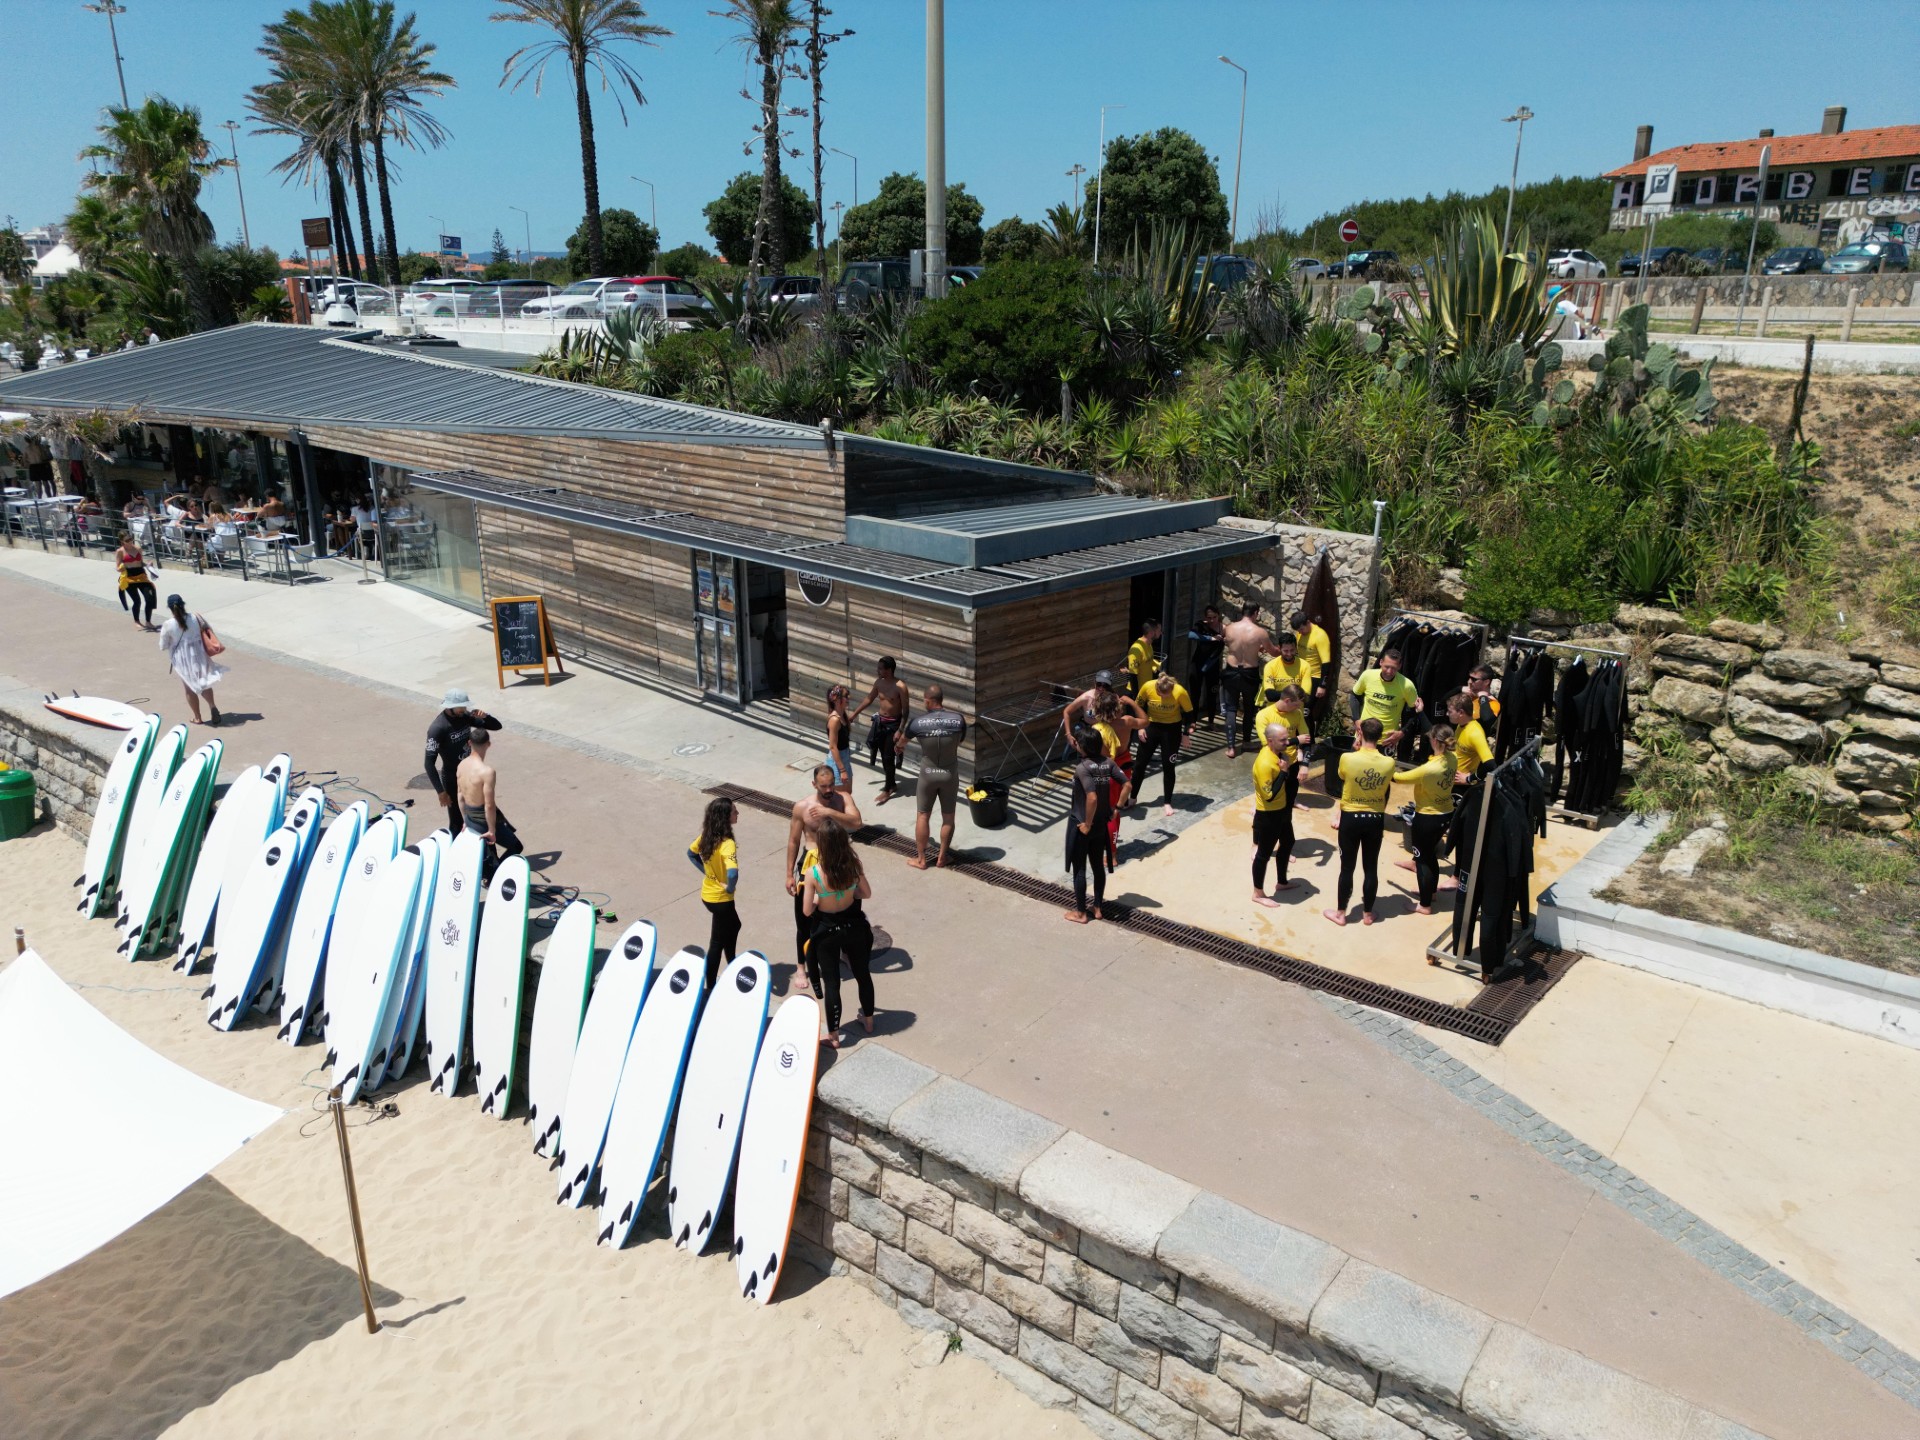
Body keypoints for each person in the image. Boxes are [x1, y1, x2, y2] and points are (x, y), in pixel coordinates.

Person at [785, 765, 865, 994]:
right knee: (804, 918)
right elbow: (793, 841)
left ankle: (845, 952)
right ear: (814, 785)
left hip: (840, 862)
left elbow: (856, 823)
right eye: (824, 786)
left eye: (831, 784)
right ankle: (801, 967)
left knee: (849, 910)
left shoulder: (843, 798)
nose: (829, 790)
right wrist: (789, 874)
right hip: (811, 863)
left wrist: (829, 813)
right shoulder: (802, 807)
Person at [803, 823, 875, 1048]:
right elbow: (866, 893)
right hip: (852, 928)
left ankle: (834, 1036)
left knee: (832, 983)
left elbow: (807, 911)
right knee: (863, 974)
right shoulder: (853, 865)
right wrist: (847, 891)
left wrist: (818, 899)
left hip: (827, 932)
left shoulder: (813, 873)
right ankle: (869, 1021)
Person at [1325, 718, 1396, 927]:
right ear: (1381, 737)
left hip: (1351, 817)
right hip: (1374, 818)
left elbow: (1341, 775)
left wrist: (1355, 751)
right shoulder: (1389, 763)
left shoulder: (1348, 758)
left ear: (1360, 734)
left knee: (1347, 868)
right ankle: (1367, 914)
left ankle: (1341, 914)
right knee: (1371, 867)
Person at [897, 685, 967, 869]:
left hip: (928, 773)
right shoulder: (958, 720)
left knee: (922, 815)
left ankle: (921, 860)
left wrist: (899, 746)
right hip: (949, 773)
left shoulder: (917, 723)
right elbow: (960, 740)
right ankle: (942, 857)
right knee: (948, 817)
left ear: (928, 700)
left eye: (924, 700)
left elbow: (901, 742)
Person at [1064, 730, 1130, 924]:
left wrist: (1087, 824)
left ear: (1081, 746)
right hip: (1102, 823)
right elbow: (1127, 785)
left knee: (1080, 869)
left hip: (1083, 824)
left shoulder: (1082, 768)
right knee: (1097, 866)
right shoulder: (1109, 763)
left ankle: (1081, 913)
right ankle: (1098, 908)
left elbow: (1091, 797)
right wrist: (1117, 808)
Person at [1392, 722, 1457, 915]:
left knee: (1422, 861)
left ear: (1435, 741)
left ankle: (1425, 904)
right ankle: (1431, 893)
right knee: (1430, 856)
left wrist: (1383, 766)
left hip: (1428, 818)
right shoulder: (1452, 758)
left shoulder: (1429, 769)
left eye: (1429, 739)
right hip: (1445, 813)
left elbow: (1399, 778)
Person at [425, 688, 502, 835]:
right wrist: (441, 791)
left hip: (470, 774)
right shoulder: (437, 728)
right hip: (452, 778)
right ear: (450, 707)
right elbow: (428, 763)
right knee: (457, 821)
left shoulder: (464, 716)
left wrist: (486, 717)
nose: (465, 709)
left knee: (479, 814)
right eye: (462, 706)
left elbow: (497, 726)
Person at [687, 798, 741, 989]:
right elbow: (733, 872)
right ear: (726, 817)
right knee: (718, 941)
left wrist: (707, 872)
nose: (738, 814)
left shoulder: (707, 836)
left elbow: (691, 853)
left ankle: (732, 962)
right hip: (721, 899)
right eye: (735, 811)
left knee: (732, 927)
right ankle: (711, 984)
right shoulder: (727, 843)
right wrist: (730, 887)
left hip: (708, 894)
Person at [457, 728, 523, 884]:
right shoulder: (487, 772)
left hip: (470, 816)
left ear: (469, 743)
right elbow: (489, 805)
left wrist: (465, 820)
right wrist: (492, 830)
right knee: (515, 847)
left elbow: (460, 796)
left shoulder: (461, 766)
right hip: (483, 819)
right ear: (488, 744)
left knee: (488, 856)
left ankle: (491, 875)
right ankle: (496, 876)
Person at [156, 593, 226, 726]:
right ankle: (212, 706)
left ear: (170, 608)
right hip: (200, 654)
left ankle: (198, 717)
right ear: (183, 605)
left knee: (189, 688)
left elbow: (162, 646)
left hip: (183, 660)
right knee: (205, 682)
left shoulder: (168, 624)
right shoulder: (195, 617)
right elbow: (207, 630)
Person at [848, 656, 909, 805]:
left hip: (893, 725)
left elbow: (906, 711)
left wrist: (900, 730)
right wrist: (854, 714)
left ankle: (887, 789)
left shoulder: (900, 686)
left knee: (888, 757)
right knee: (883, 755)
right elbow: (869, 699)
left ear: (889, 670)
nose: (878, 670)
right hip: (880, 723)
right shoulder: (879, 683)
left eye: (881, 668)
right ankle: (892, 783)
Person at [1251, 722, 1300, 908]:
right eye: (1283, 740)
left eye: (1287, 738)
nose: (1287, 742)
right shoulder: (1264, 763)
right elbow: (1269, 796)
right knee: (1263, 855)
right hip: (1268, 814)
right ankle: (1257, 893)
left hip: (1282, 810)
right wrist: (1284, 773)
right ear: (1270, 741)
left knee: (1288, 842)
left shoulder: (1276, 753)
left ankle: (1282, 882)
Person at [1133, 670, 1193, 817]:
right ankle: (1132, 798)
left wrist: (1185, 734)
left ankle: (1167, 802)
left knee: (1169, 766)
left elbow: (1190, 714)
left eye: (1166, 696)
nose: (1162, 698)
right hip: (1151, 726)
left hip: (1171, 730)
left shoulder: (1180, 692)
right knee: (1140, 764)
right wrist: (1140, 727)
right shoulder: (1147, 686)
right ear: (1157, 688)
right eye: (1159, 695)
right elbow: (1137, 706)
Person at [1221, 603, 1277, 758]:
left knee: (1231, 708)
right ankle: (1246, 741)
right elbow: (1273, 652)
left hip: (1231, 671)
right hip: (1249, 673)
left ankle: (1231, 748)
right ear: (1256, 613)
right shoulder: (1260, 632)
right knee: (1248, 707)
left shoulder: (1230, 628)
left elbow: (1230, 643)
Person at [1253, 684, 1314, 807]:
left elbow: (1306, 739)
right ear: (1287, 700)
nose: (1299, 708)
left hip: (1292, 760)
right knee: (1269, 794)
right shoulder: (1264, 715)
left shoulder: (1297, 713)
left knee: (1291, 791)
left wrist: (1305, 765)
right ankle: (1259, 806)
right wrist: (1296, 740)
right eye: (1296, 704)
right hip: (1273, 762)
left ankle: (1292, 802)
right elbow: (1269, 745)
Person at [1351, 649, 1422, 752]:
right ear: (1380, 662)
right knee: (1354, 767)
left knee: (1382, 768)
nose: (1389, 671)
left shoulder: (1407, 685)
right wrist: (1356, 719)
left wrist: (1402, 732)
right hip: (1363, 736)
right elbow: (1354, 696)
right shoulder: (1368, 676)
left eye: (1393, 668)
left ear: (1399, 666)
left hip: (1387, 740)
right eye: (1386, 667)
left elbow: (1414, 712)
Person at [1061, 671, 1144, 747]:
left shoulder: (1113, 698)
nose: (1101, 688)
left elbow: (1118, 718)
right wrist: (1068, 734)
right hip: (1089, 731)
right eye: (1099, 684)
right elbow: (1067, 711)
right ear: (1095, 683)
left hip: (1106, 732)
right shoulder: (1086, 698)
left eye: (1105, 685)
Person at [1186, 605, 1225, 726]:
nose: (1212, 620)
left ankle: (1211, 722)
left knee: (1212, 694)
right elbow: (1191, 635)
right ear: (1205, 617)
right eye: (1209, 618)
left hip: (1212, 664)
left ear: (1219, 615)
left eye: (1214, 617)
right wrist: (1211, 638)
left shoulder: (1222, 628)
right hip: (1197, 663)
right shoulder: (1201, 625)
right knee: (1195, 693)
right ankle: (1193, 721)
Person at [1260, 631, 1316, 708]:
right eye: (1286, 651)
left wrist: (1281, 695)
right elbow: (1270, 695)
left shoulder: (1305, 666)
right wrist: (1295, 695)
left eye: (1292, 650)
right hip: (1276, 712)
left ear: (1296, 648)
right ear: (1279, 648)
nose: (1289, 654)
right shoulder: (1270, 666)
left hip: (1296, 712)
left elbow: (1305, 696)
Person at [115, 531, 158, 630]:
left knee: (149, 599)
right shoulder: (120, 551)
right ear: (122, 541)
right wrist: (120, 569)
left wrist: (148, 565)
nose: (130, 541)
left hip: (141, 575)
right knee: (137, 601)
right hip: (129, 578)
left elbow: (140, 563)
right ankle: (137, 620)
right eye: (127, 540)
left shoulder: (138, 548)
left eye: (131, 539)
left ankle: (148, 621)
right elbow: (117, 567)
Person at [1449, 692, 1494, 785]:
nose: (1447, 714)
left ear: (1461, 713)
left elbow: (1490, 765)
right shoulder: (1461, 724)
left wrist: (1469, 779)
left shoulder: (1475, 733)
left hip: (1461, 789)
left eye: (1450, 711)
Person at [824, 684, 854, 794]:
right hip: (837, 763)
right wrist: (842, 770)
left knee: (848, 794)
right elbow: (832, 746)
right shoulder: (834, 720)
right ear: (836, 699)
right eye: (846, 695)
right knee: (841, 798)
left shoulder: (843, 716)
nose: (848, 698)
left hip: (845, 758)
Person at [1126, 618, 1162, 698]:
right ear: (1151, 633)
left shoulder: (1149, 645)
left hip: (1146, 690)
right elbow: (1133, 675)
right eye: (1159, 630)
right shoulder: (1136, 649)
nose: (1161, 633)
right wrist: (1137, 699)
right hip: (1136, 692)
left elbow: (1148, 662)